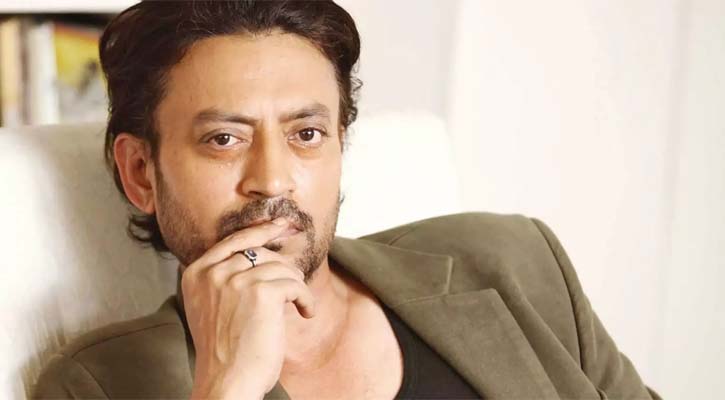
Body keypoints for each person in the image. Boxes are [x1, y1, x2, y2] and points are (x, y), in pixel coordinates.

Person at [32, 1, 661, 399]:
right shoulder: (95, 385)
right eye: (224, 139)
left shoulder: (516, 260)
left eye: (306, 134)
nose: (273, 180)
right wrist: (227, 386)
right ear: (141, 173)